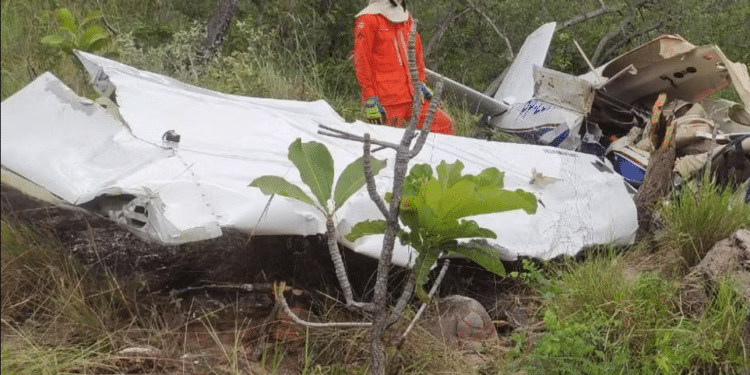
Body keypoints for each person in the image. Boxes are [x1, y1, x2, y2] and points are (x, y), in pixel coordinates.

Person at [353, 0, 454, 135]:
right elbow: (362, 62)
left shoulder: (406, 18)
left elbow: (416, 52)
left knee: (444, 124)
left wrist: (421, 82)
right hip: (386, 101)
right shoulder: (368, 19)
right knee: (390, 142)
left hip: (413, 96)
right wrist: (369, 97)